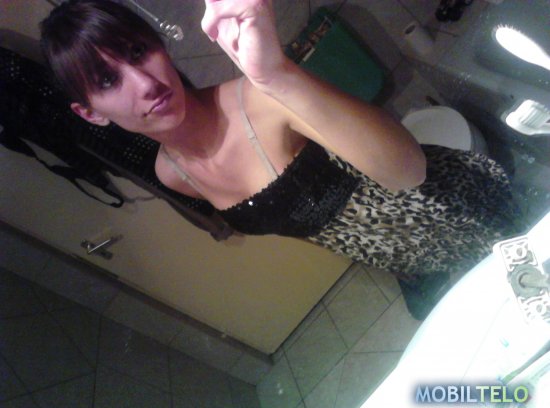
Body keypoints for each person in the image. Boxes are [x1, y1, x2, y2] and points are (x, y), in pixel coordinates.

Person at [40, 0, 521, 319]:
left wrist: (276, 75)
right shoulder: (174, 174)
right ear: (89, 113)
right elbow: (314, 226)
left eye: (137, 51)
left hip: (452, 211)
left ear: (160, 46)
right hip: (402, 256)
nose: (145, 83)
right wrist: (399, 266)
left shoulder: (262, 98)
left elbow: (408, 172)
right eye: (108, 81)